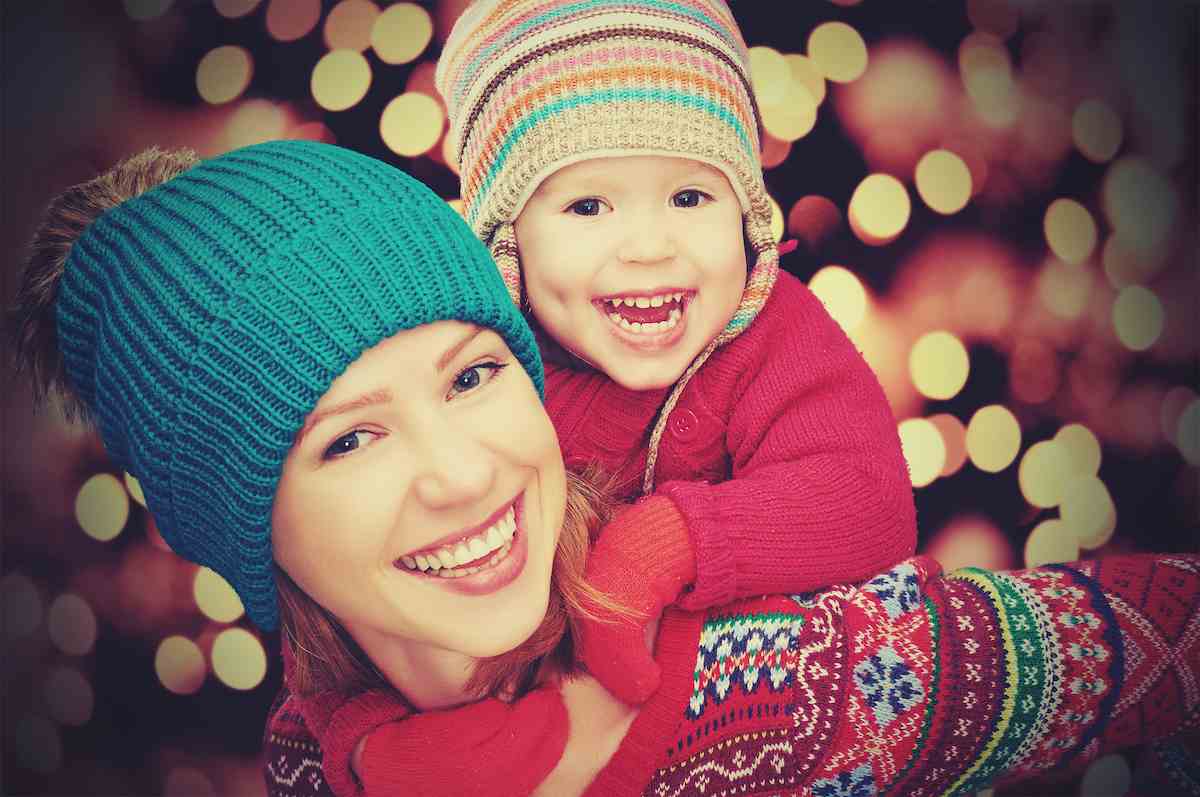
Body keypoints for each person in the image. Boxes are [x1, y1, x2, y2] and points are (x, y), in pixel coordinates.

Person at [13, 141, 1198, 797]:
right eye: (349, 437)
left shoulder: (790, 669)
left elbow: (1169, 637)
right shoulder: (305, 766)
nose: (462, 473)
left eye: (475, 374)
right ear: (232, 526)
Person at [433, 0, 919, 704]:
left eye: (690, 196)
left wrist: (669, 541)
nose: (651, 247)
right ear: (507, 240)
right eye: (588, 206)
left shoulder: (773, 333)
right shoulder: (475, 366)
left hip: (751, 696)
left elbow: (870, 501)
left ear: (746, 211)